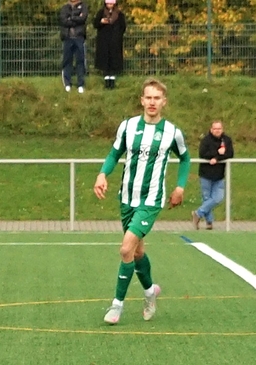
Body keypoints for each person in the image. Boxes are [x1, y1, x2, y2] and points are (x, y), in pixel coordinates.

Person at [94, 78, 190, 325]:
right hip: (127, 198)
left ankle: (117, 305)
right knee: (137, 252)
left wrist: (180, 187)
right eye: (148, 97)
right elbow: (114, 153)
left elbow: (185, 158)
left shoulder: (172, 132)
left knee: (126, 249)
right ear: (142, 100)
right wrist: (103, 174)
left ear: (164, 102)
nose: (152, 102)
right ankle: (150, 292)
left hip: (151, 199)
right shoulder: (128, 127)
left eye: (157, 98)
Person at [192, 120, 234, 230]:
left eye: (219, 129)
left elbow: (229, 154)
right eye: (215, 129)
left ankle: (198, 213)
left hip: (219, 175)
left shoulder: (226, 140)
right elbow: (203, 154)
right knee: (206, 198)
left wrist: (217, 158)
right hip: (206, 174)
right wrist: (216, 153)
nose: (217, 131)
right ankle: (209, 222)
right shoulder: (206, 140)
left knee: (218, 198)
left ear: (222, 129)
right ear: (211, 129)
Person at [93, 0, 126, 89]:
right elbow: (95, 24)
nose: (109, 5)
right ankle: (106, 81)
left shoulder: (119, 14)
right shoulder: (101, 13)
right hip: (103, 41)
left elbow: (123, 27)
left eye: (111, 4)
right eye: (108, 4)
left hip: (115, 42)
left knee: (114, 61)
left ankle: (112, 81)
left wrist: (118, 35)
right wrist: (101, 22)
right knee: (105, 61)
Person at [60, 0, 89, 93]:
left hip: (79, 37)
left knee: (80, 61)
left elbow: (83, 18)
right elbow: (63, 21)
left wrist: (71, 18)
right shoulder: (65, 7)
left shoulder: (83, 6)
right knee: (67, 61)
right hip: (67, 38)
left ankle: (80, 84)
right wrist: (76, 18)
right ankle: (67, 83)